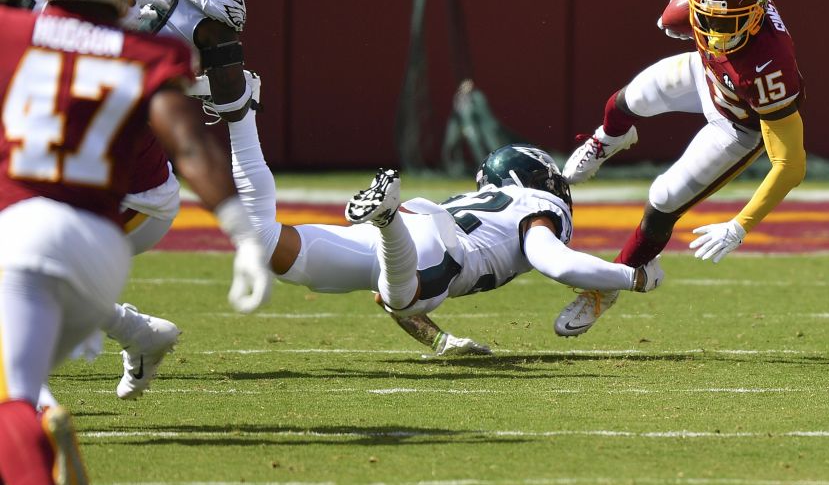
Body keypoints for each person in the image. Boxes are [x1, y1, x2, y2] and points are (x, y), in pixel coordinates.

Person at [0, 0, 271, 485]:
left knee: (15, 395)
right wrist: (240, 229)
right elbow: (189, 142)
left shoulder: (13, 33)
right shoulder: (145, 49)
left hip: (25, 229)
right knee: (18, 384)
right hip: (97, 249)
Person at [557, 0, 807, 336]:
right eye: (708, 19)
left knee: (662, 200)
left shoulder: (769, 65)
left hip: (738, 124)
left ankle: (607, 288)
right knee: (630, 98)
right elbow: (674, 20)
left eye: (729, 23)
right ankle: (608, 140)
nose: (716, 32)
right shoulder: (695, 8)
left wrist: (741, 224)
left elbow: (791, 164)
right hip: (706, 77)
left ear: (757, 13)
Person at [230, 142, 663, 349]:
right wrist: (633, 277)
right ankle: (387, 221)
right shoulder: (536, 203)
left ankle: (240, 120)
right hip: (443, 249)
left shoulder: (475, 200)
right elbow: (555, 263)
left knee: (267, 246)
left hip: (419, 225)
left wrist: (441, 342)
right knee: (405, 297)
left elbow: (389, 296)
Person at [22, 0, 188, 403]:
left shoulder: (111, 9)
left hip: (130, 192)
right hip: (66, 175)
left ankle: (31, 408)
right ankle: (136, 335)